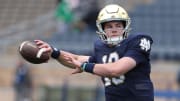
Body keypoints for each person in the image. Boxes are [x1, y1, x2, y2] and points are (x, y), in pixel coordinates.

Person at [35, 4, 154, 101]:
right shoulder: (101, 48)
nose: (114, 29)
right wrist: (54, 52)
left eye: (118, 25)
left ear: (125, 27)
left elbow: (116, 69)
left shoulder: (138, 41)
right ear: (102, 29)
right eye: (109, 26)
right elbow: (75, 60)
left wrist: (85, 66)